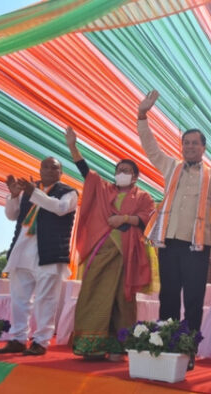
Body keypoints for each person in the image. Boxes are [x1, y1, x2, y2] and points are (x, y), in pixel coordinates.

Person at [137, 90, 211, 369]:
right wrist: (142, 116)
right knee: (168, 295)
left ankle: (188, 349)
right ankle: (165, 345)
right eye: (185, 143)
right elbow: (150, 147)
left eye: (194, 143)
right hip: (169, 243)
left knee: (194, 298)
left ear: (203, 148)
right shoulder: (171, 166)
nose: (189, 147)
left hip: (198, 245)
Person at [64, 126, 155, 360]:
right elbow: (88, 174)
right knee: (93, 293)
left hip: (128, 253)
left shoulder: (143, 196)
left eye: (126, 170)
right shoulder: (106, 190)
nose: (121, 173)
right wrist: (73, 147)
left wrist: (124, 218)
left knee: (123, 301)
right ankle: (92, 345)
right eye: (119, 170)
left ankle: (118, 346)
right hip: (102, 251)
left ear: (135, 176)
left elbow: (146, 219)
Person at [0, 157, 78, 356]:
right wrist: (14, 196)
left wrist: (34, 193)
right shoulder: (28, 190)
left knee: (46, 299)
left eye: (54, 167)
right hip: (22, 251)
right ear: (39, 169)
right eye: (45, 167)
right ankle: (18, 339)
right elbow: (12, 215)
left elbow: (60, 209)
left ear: (61, 172)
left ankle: (41, 341)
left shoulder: (69, 192)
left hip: (49, 252)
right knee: (19, 299)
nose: (49, 170)